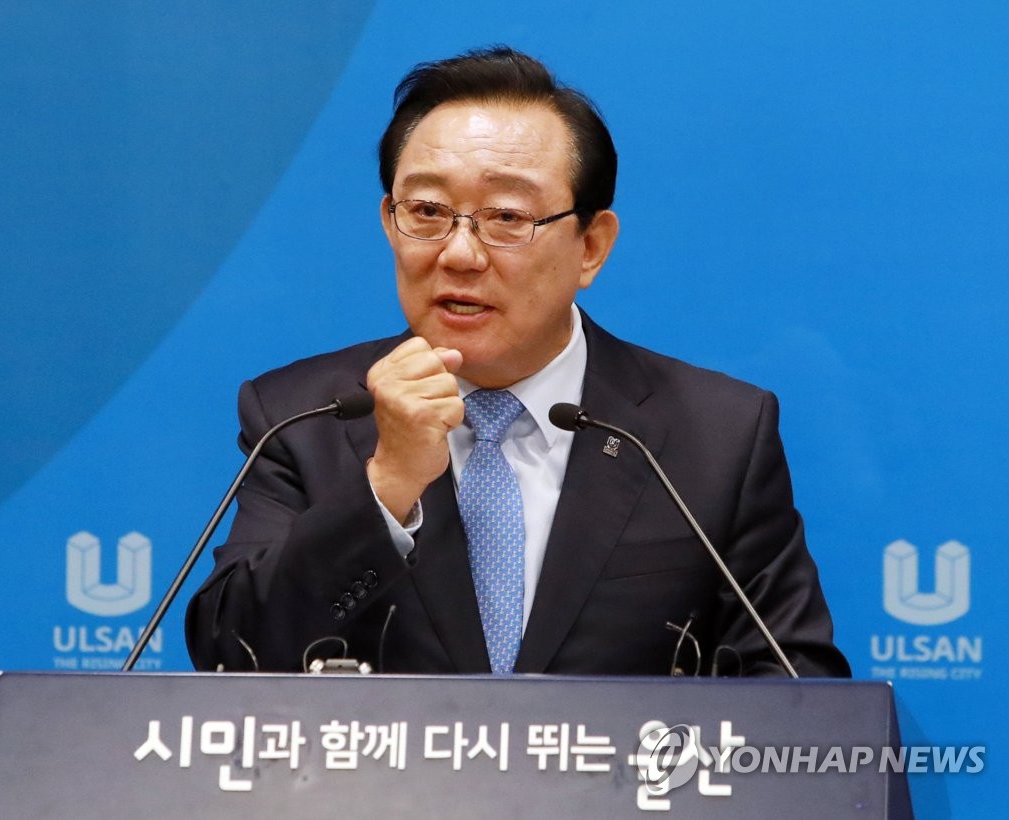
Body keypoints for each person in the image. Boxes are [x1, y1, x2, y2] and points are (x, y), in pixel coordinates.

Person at [185, 46, 850, 678]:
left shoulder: (717, 435)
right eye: (427, 211)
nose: (459, 254)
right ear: (389, 221)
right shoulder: (302, 419)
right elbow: (231, 657)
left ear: (591, 246)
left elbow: (797, 693)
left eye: (507, 216)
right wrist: (386, 485)